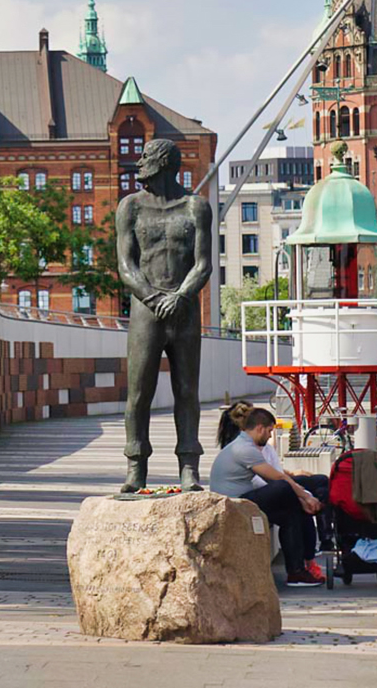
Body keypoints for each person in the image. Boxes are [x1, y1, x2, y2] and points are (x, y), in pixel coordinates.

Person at [116, 138, 212, 492]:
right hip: (146, 310)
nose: (139, 163)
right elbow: (126, 266)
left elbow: (203, 264)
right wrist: (154, 298)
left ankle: (189, 466)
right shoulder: (130, 208)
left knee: (187, 390)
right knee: (139, 392)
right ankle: (135, 466)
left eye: (146, 157)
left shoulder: (195, 207)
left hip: (184, 311)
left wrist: (182, 296)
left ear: (165, 162)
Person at [210, 407, 323, 588]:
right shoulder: (243, 448)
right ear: (260, 428)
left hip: (242, 499)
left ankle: (296, 572)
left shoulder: (243, 445)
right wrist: (305, 497)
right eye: (270, 431)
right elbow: (277, 478)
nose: (270, 436)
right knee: (284, 488)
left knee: (290, 515)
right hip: (234, 504)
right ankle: (298, 570)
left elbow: (271, 478)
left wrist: (300, 499)